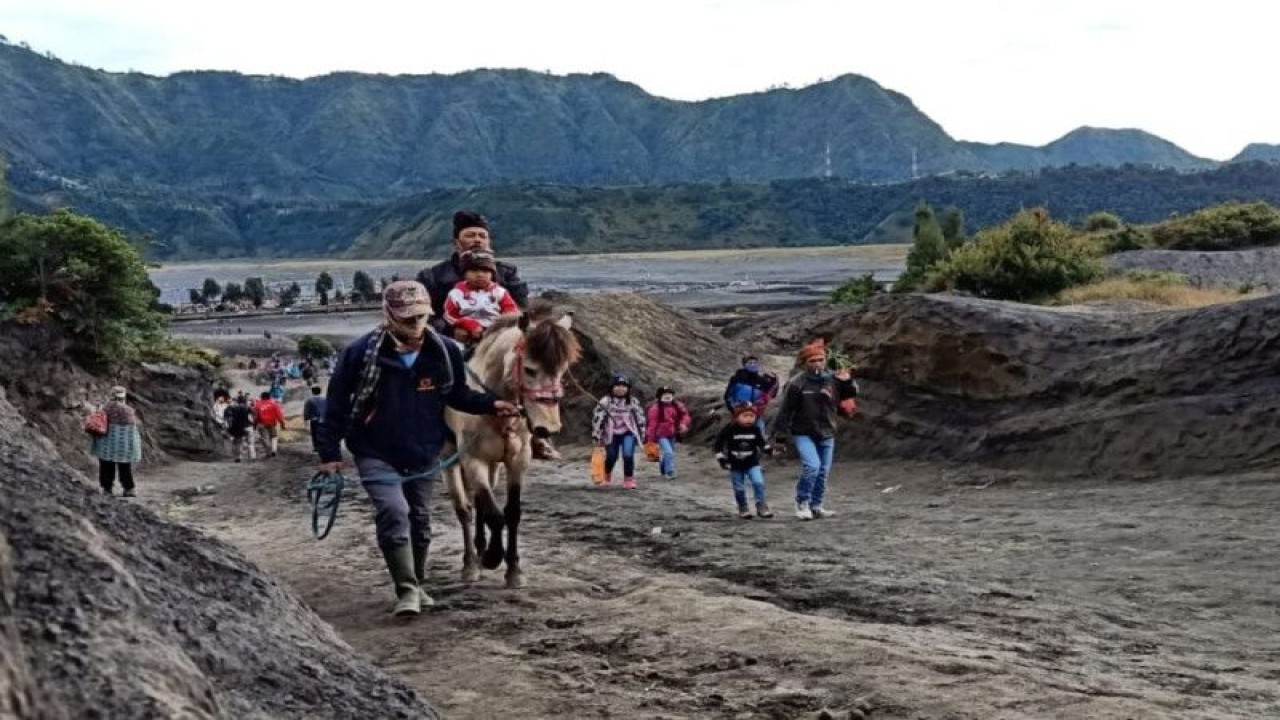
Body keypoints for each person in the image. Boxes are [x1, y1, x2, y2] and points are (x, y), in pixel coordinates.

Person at [316, 280, 519, 617]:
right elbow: (335, 406)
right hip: (374, 450)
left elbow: (457, 396)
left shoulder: (445, 351)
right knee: (395, 512)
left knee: (420, 519)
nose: (415, 325)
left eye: (421, 317)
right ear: (388, 315)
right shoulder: (358, 354)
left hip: (424, 450)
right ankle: (407, 590)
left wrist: (492, 404)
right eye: (407, 318)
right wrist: (329, 455)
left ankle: (418, 583)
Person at [771, 339, 858, 521]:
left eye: (821, 359)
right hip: (803, 432)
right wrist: (780, 438)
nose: (818, 363)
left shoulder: (832, 379)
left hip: (827, 431)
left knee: (823, 472)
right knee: (812, 467)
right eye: (813, 360)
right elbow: (785, 411)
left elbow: (850, 394)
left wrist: (847, 380)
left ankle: (816, 505)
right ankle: (802, 502)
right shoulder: (796, 384)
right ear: (804, 363)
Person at [417, 210, 529, 339]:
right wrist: (449, 330)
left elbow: (521, 310)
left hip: (499, 339)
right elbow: (421, 314)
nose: (477, 240)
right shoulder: (433, 276)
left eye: (482, 236)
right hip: (448, 341)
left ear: (489, 242)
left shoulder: (507, 273)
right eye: (470, 235)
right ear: (456, 243)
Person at [442, 250, 520, 346]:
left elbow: (511, 311)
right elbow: (449, 315)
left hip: (495, 329)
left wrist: (499, 325)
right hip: (467, 331)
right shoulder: (456, 293)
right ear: (464, 274)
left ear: (492, 274)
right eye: (474, 270)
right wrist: (467, 324)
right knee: (459, 339)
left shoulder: (500, 292)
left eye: (485, 271)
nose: (480, 274)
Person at [714, 403, 774, 519]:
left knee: (758, 482)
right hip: (735, 464)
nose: (749, 419)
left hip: (752, 462)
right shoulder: (730, 429)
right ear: (737, 417)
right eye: (745, 416)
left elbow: (761, 443)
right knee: (739, 488)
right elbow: (718, 444)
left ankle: (761, 506)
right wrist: (721, 459)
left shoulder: (755, 429)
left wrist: (768, 449)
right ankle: (743, 507)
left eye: (752, 416)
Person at [590, 373, 647, 490]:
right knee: (611, 456)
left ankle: (629, 479)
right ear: (612, 387)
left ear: (628, 388)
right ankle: (606, 476)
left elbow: (640, 417)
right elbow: (597, 418)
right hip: (611, 433)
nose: (620, 388)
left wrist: (642, 433)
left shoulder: (632, 401)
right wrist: (596, 436)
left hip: (628, 432)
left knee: (627, 454)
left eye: (624, 386)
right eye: (617, 386)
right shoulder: (606, 401)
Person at [92, 386, 143, 497]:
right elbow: (133, 430)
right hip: (123, 446)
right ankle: (129, 489)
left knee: (106, 466)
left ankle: (107, 489)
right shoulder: (128, 410)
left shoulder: (105, 408)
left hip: (106, 444)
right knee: (124, 467)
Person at [723, 355, 779, 434]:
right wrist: (733, 410)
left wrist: (775, 382)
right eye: (750, 363)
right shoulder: (737, 378)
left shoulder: (762, 380)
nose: (753, 364)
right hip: (739, 413)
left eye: (755, 363)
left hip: (756, 414)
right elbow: (727, 396)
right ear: (744, 364)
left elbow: (772, 395)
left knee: (760, 434)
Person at [644, 386, 691, 480]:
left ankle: (663, 467)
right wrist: (650, 440)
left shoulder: (677, 405)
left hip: (672, 433)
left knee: (670, 452)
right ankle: (670, 472)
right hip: (661, 435)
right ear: (660, 396)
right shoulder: (655, 409)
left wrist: (683, 424)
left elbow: (685, 415)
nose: (667, 396)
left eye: (669, 394)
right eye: (665, 394)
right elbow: (652, 425)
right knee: (669, 452)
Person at [223, 393, 255, 462]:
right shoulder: (248, 408)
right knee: (250, 442)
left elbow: (231, 419)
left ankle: (238, 457)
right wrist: (253, 424)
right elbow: (251, 418)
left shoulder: (234, 409)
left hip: (238, 427)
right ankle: (252, 457)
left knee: (238, 442)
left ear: (237, 401)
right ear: (245, 401)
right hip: (248, 426)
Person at [253, 391, 286, 457]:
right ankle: (273, 450)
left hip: (261, 424)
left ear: (261, 397)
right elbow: (279, 415)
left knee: (265, 438)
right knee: (274, 437)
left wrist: (254, 424)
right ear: (269, 397)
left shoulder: (257, 405)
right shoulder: (274, 404)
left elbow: (256, 416)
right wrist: (282, 424)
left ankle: (268, 452)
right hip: (271, 423)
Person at [302, 384, 327, 456]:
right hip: (324, 419)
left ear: (312, 392)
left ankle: (316, 448)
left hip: (314, 420)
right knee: (323, 433)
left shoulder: (310, 400)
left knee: (315, 434)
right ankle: (323, 446)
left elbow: (306, 411)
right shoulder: (325, 399)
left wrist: (305, 419)